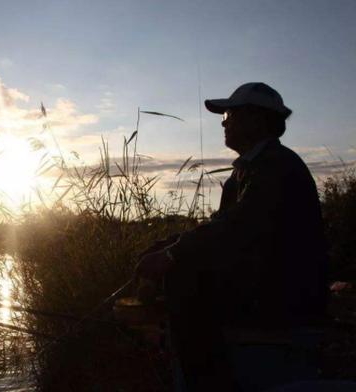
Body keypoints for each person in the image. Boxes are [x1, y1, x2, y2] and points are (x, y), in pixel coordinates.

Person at [134, 82, 329, 391]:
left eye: (228, 115)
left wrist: (173, 255)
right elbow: (221, 227)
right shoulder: (250, 169)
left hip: (282, 298)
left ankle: (204, 381)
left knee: (182, 276)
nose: (223, 122)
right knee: (175, 262)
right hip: (265, 286)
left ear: (256, 119)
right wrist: (167, 246)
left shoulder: (276, 166)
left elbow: (238, 228)